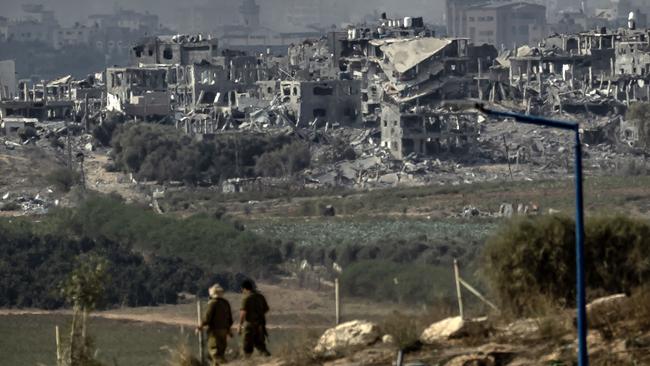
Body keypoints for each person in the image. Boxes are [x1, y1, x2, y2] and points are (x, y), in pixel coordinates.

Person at [197, 284, 233, 365]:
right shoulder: (226, 303)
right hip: (224, 331)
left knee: (215, 352)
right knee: (221, 352)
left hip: (215, 331)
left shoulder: (213, 303)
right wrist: (228, 329)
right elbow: (230, 319)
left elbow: (208, 317)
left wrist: (201, 325)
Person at [237, 279, 271, 357]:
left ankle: (247, 362)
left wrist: (240, 325)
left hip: (249, 325)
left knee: (247, 346)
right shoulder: (260, 296)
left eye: (242, 290)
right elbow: (266, 309)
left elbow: (243, 313)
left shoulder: (246, 298)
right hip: (260, 324)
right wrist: (259, 315)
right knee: (260, 345)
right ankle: (268, 359)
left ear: (244, 288)